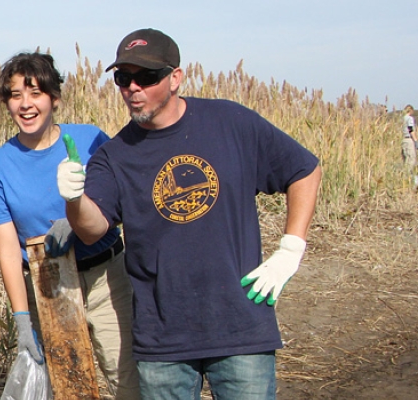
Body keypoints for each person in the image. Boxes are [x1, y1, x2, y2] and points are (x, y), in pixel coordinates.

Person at [60, 28, 321, 399]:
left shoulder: (231, 123)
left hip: (240, 325)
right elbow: (92, 228)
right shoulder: (114, 155)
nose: (133, 88)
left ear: (175, 78)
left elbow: (304, 170)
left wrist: (291, 249)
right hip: (162, 339)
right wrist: (74, 198)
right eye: (123, 78)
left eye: (146, 77)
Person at [0, 52, 138, 399]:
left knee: (127, 378)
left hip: (106, 278)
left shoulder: (90, 140)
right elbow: (8, 250)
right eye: (15, 95)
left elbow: (125, 201)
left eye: (35, 93)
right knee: (69, 386)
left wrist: (78, 218)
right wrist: (22, 319)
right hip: (48, 284)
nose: (25, 104)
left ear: (54, 97)